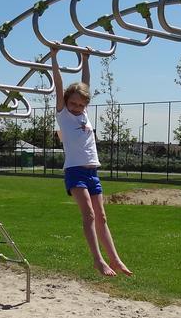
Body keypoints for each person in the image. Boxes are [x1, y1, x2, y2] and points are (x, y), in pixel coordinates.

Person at [51, 47, 132, 277]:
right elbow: (58, 83)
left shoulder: (84, 114)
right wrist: (54, 56)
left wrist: (86, 59)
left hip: (92, 172)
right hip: (75, 171)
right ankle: (98, 260)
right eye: (73, 104)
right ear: (66, 102)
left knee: (102, 216)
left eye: (81, 105)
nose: (77, 108)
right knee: (89, 215)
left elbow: (86, 83)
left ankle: (115, 259)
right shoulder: (63, 114)